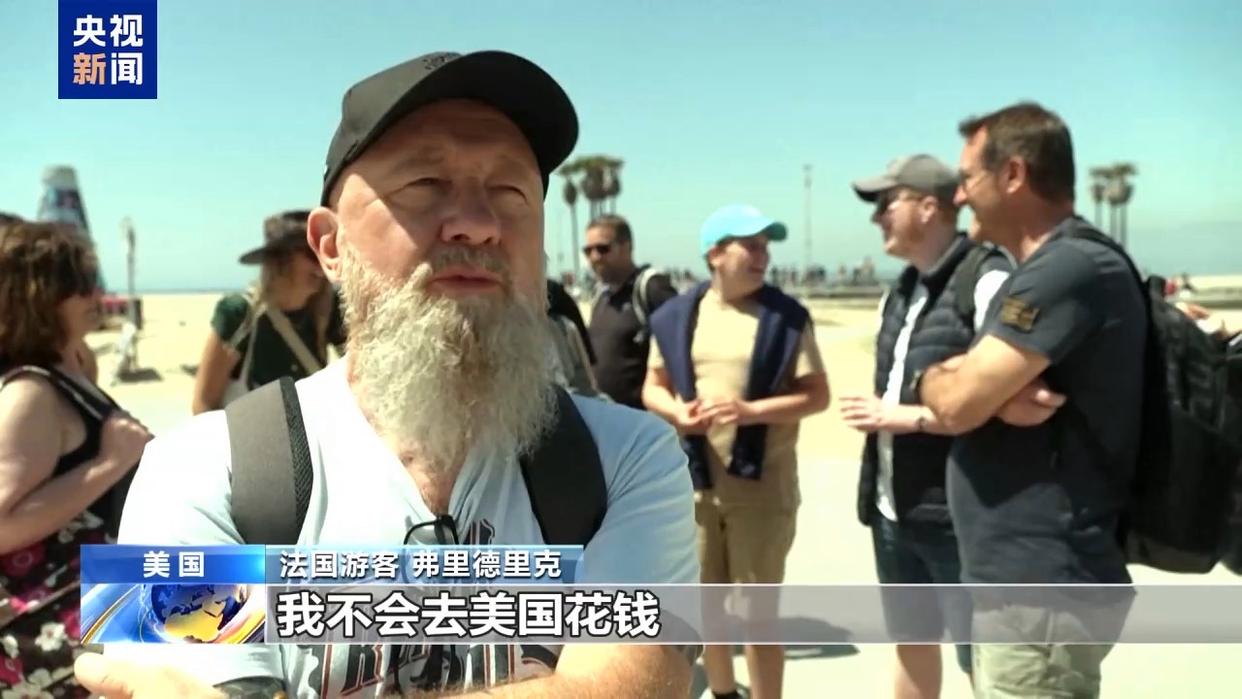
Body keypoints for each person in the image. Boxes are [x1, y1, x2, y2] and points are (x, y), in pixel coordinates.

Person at [74, 50, 699, 698]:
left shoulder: (631, 460)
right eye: (424, 184)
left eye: (510, 193)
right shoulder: (197, 472)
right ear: (330, 245)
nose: (478, 224)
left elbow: (635, 684)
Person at [916, 102, 1144, 697]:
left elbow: (956, 403)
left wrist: (956, 385)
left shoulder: (1068, 267)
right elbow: (951, 388)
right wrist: (956, 383)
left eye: (968, 178)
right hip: (1019, 584)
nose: (959, 196)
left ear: (1013, 174)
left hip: (1042, 590)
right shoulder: (1040, 269)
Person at [642, 204, 830, 699]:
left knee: (758, 617)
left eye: (766, 247)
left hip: (762, 491)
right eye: (751, 245)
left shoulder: (787, 318)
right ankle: (724, 692)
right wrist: (677, 413)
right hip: (696, 488)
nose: (762, 256)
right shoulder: (676, 317)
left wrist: (750, 411)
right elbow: (653, 386)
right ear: (715, 254)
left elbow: (817, 396)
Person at [843, 155, 1012, 698]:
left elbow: (1016, 399)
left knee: (984, 662)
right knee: (912, 643)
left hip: (959, 519)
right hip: (894, 511)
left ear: (928, 206)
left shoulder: (986, 279)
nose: (877, 218)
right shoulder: (900, 290)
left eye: (885, 204)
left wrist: (907, 417)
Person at [0, 221, 153, 698]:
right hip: (75, 610)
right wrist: (107, 463)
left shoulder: (71, 371)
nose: (94, 293)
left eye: (92, 278)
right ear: (37, 296)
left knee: (302, 603)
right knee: (296, 604)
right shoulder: (31, 393)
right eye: (76, 283)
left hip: (115, 589)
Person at [190, 210, 346, 414]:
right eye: (311, 253)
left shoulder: (329, 310)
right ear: (280, 260)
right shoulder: (239, 314)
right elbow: (203, 404)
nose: (322, 265)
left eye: (326, 252)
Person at [585, 215, 679, 409]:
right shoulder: (600, 296)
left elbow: (681, 343)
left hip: (644, 419)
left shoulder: (651, 288)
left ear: (626, 247)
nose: (594, 257)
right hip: (605, 417)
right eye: (588, 251)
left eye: (603, 249)